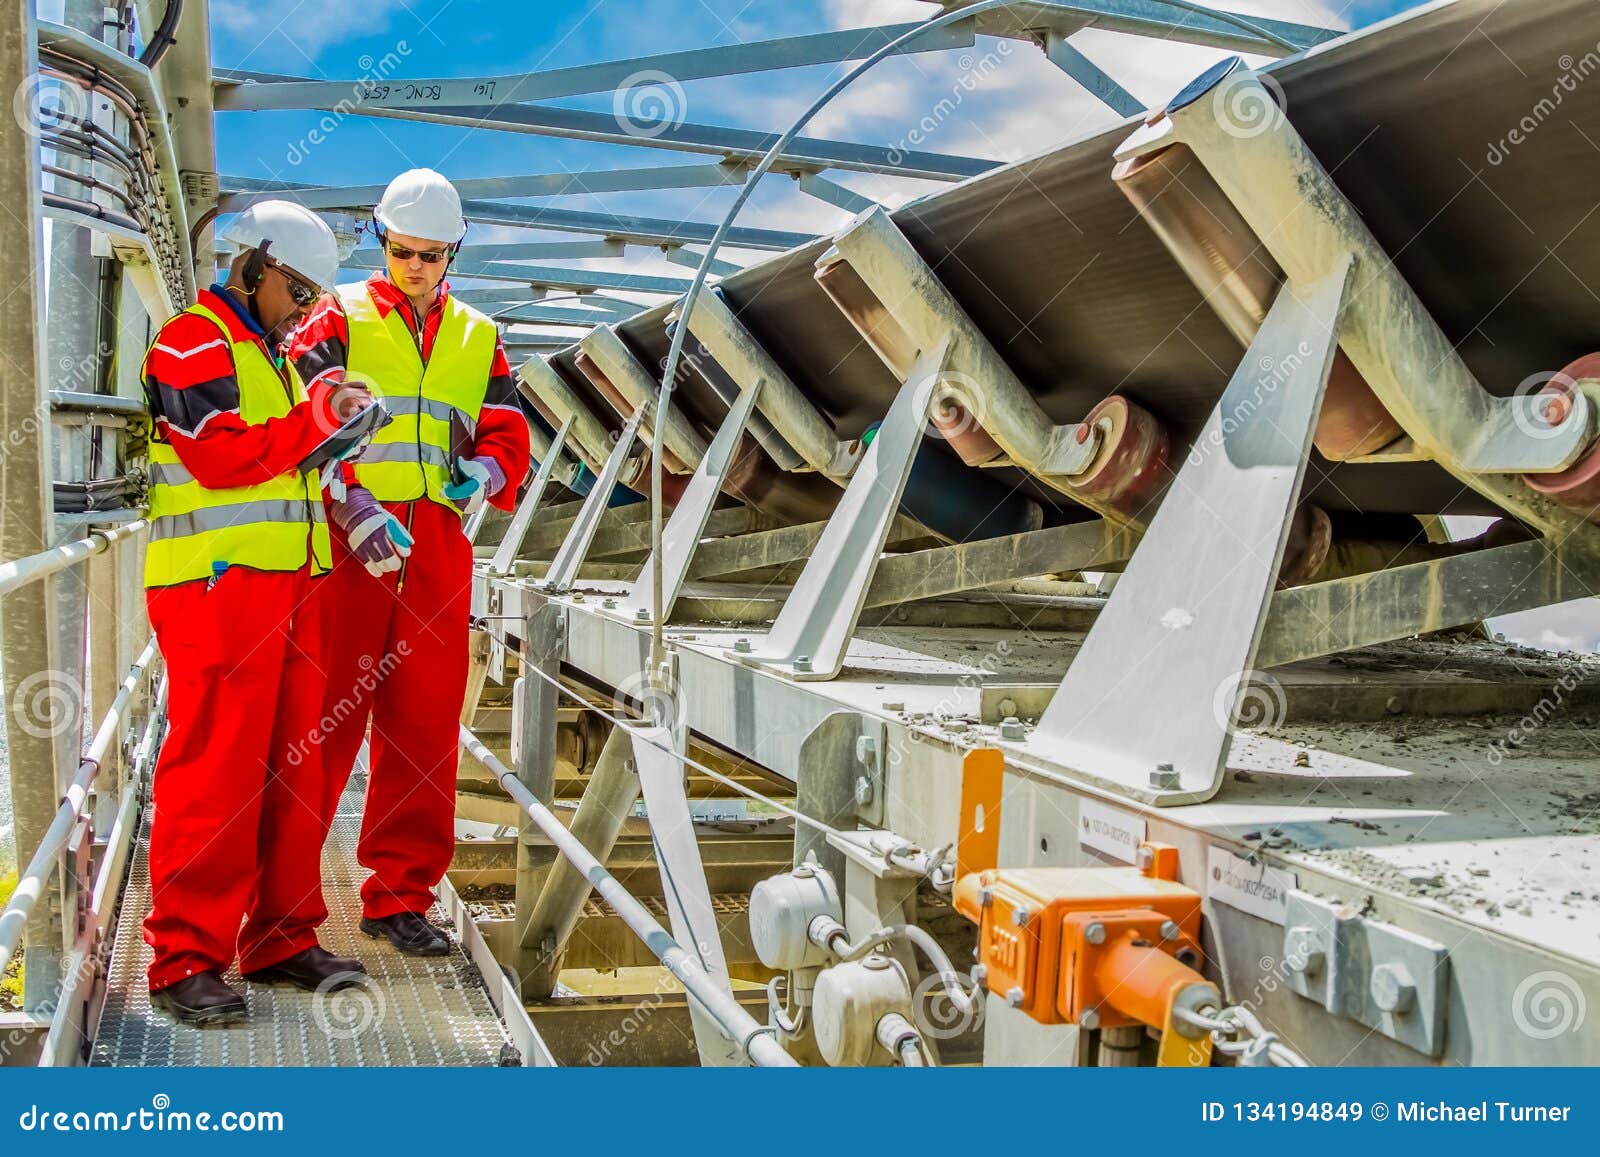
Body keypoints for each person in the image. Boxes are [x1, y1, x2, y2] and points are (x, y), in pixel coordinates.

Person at [141, 200, 374, 1024]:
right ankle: (183, 958)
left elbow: (279, 454)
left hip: (290, 583)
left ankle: (278, 935)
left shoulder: (265, 353)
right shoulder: (191, 339)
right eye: (299, 290)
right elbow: (222, 453)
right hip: (218, 585)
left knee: (293, 770)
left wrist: (330, 433)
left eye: (314, 297)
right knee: (217, 772)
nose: (307, 309)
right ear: (254, 263)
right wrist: (316, 419)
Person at [287, 169, 530, 955]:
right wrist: (350, 501)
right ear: (379, 239)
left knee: (424, 729)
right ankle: (284, 904)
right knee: (324, 723)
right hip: (351, 541)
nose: (415, 266)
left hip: (435, 548)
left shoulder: (478, 335)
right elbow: (305, 414)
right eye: (401, 251)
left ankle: (399, 898)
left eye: (430, 254)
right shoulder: (338, 315)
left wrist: (487, 474)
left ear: (454, 250)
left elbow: (505, 429)